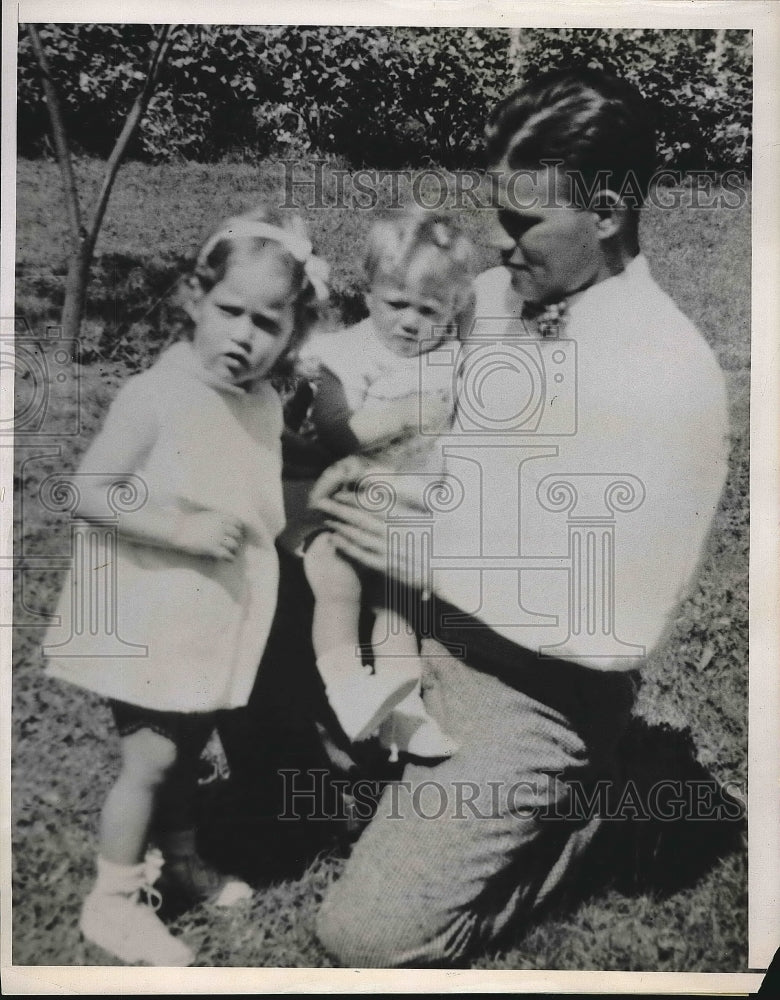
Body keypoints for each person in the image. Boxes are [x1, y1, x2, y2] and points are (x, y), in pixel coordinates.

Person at [310, 68, 730, 966]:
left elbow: (621, 620)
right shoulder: (503, 300)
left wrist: (440, 561)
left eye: (523, 222)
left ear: (609, 210)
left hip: (538, 686)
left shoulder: (667, 366)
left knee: (364, 936)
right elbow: (446, 435)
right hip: (417, 621)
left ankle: (591, 814)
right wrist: (361, 473)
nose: (498, 245)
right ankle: (402, 770)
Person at [43, 207, 329, 966]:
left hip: (207, 620)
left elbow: (263, 492)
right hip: (149, 610)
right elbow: (91, 489)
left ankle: (179, 859)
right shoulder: (156, 395)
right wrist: (176, 525)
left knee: (189, 748)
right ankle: (113, 901)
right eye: (229, 311)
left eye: (267, 323)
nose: (243, 335)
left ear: (292, 333)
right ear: (194, 300)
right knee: (154, 760)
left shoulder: (261, 402)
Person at [288, 211, 475, 760]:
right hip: (341, 507)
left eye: (430, 310)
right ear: (369, 294)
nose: (411, 323)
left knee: (397, 615)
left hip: (407, 514)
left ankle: (402, 712)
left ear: (452, 311)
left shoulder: (450, 358)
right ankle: (346, 686)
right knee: (339, 588)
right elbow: (336, 429)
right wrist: (400, 415)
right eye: (397, 304)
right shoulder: (346, 355)